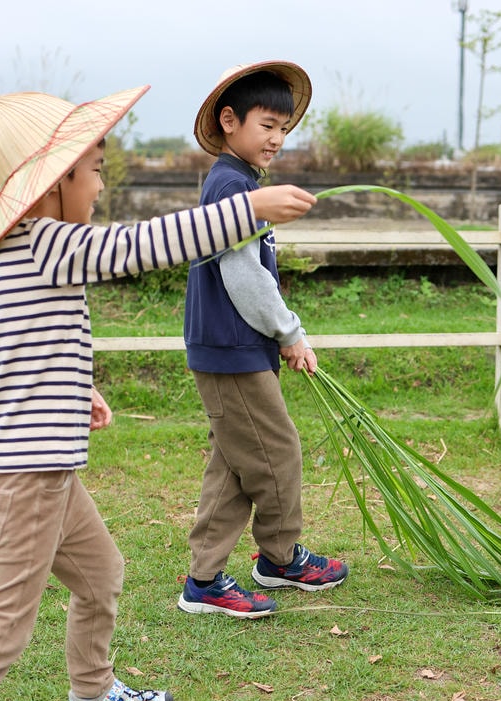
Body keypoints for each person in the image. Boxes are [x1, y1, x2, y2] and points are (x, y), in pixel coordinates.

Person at [0, 87, 317, 701]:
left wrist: (78, 390)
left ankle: (94, 693)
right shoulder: (45, 241)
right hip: (25, 480)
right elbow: (136, 248)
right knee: (0, 632)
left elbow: (11, 350)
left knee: (102, 574)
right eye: (96, 170)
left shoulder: (22, 252)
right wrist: (247, 210)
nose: (103, 184)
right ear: (58, 183)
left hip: (47, 470)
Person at [178, 62, 348, 620]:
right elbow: (246, 276)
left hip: (235, 347)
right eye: (267, 125)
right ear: (230, 121)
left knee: (234, 463)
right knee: (277, 454)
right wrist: (290, 333)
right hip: (232, 349)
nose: (277, 139)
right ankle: (279, 557)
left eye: (285, 129)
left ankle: (204, 578)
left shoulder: (241, 183)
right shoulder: (232, 186)